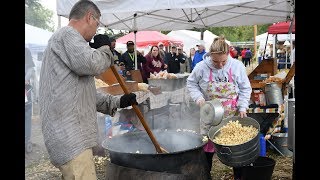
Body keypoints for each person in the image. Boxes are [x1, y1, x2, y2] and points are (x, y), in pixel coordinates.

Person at [38, 1, 138, 179]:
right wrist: (106, 49)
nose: (96, 30)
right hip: (70, 137)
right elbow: (92, 63)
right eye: (97, 24)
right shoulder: (67, 34)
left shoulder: (68, 43)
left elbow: (83, 94)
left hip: (71, 138)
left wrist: (117, 101)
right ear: (90, 17)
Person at [186, 35, 252, 180]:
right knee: (207, 149)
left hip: (231, 116)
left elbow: (245, 88)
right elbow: (191, 83)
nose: (220, 65)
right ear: (210, 55)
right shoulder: (201, 67)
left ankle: (238, 177)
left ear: (228, 54)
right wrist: (198, 98)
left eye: (223, 61)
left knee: (235, 148)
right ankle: (205, 175)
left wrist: (242, 107)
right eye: (216, 61)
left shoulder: (237, 66)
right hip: (209, 114)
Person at [25, 47, 35, 151]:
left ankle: (26, 141)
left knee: (26, 115)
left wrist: (26, 79)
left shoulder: (26, 51)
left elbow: (30, 68)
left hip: (25, 91)